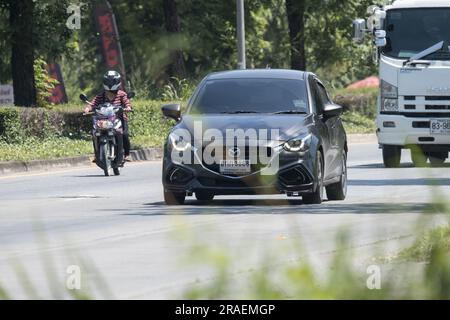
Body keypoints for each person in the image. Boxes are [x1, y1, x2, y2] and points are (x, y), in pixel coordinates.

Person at [84, 70, 133, 162]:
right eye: (108, 81)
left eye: (113, 81)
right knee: (95, 134)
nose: (110, 84)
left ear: (117, 82)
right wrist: (88, 109)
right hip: (103, 120)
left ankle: (126, 154)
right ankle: (97, 154)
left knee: (125, 134)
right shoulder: (101, 95)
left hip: (119, 119)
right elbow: (93, 103)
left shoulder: (122, 94)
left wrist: (128, 107)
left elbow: (127, 103)